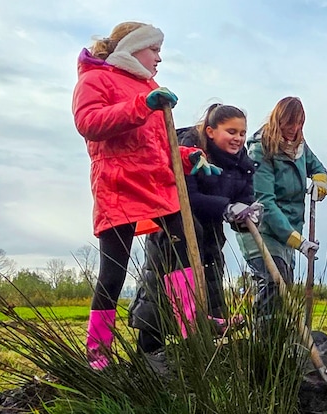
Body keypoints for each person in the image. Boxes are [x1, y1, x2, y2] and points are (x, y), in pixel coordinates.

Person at [72, 22, 219, 369]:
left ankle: (189, 328)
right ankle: (98, 352)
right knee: (114, 268)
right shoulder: (95, 78)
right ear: (132, 48)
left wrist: (190, 157)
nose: (159, 58)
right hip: (119, 183)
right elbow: (88, 122)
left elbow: (156, 146)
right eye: (154, 49)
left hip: (156, 181)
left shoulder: (150, 86)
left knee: (189, 236)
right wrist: (142, 104)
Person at [129, 103, 262, 356]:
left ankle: (194, 366)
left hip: (210, 242)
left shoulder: (242, 164)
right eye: (231, 132)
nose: (238, 138)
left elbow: (243, 201)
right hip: (174, 234)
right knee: (159, 306)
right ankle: (147, 366)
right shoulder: (190, 150)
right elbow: (185, 196)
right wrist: (227, 207)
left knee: (206, 304)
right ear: (211, 131)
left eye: (242, 133)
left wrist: (246, 216)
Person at [238, 96, 327, 315]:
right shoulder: (261, 150)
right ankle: (263, 342)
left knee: (284, 286)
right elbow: (265, 202)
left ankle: (279, 343)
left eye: (299, 123)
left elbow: (317, 167)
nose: (294, 129)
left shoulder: (299, 146)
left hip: (290, 231)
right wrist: (298, 241)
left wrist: (320, 180)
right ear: (279, 121)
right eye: (289, 123)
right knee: (272, 284)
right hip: (263, 230)